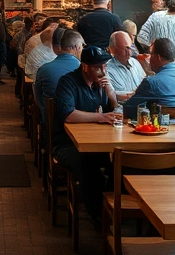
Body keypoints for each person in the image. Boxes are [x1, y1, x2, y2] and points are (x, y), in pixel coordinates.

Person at [51, 46, 119, 218]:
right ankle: (98, 215)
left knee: (119, 161)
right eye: (98, 67)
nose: (103, 71)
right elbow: (68, 115)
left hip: (96, 141)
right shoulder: (68, 82)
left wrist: (110, 93)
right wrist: (100, 117)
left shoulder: (100, 85)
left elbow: (111, 109)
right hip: (66, 143)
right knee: (87, 164)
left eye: (105, 66)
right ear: (85, 67)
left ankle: (112, 207)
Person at [122, 38, 175, 119]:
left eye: (151, 54)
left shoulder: (151, 82)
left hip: (159, 129)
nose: (149, 58)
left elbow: (128, 109)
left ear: (158, 57)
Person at [33, 29, 83, 140]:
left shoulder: (44, 69)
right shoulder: (83, 70)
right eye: (82, 46)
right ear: (77, 48)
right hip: (81, 126)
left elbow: (38, 97)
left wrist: (46, 113)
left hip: (50, 126)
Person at [104, 31, 145, 96]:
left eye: (130, 47)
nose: (129, 52)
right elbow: (112, 95)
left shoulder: (135, 62)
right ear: (113, 49)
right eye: (125, 48)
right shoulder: (107, 70)